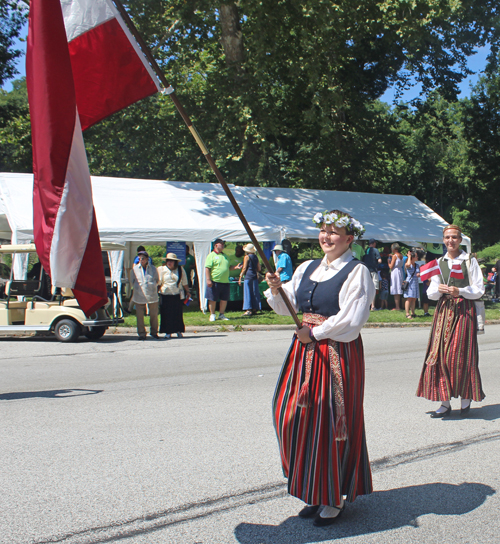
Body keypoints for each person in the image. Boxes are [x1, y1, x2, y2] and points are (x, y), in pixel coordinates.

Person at [265, 209, 374, 527]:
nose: (326, 236)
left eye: (334, 232)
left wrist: (314, 333)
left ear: (349, 239)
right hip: (303, 352)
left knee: (329, 421)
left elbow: (351, 320)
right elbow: (290, 310)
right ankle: (314, 486)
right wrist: (276, 289)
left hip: (337, 352)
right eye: (323, 231)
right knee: (289, 414)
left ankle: (332, 497)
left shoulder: (357, 272)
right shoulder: (306, 267)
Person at [416, 225, 485, 418]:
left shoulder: (469, 260)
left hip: (464, 311)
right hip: (444, 311)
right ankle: (444, 402)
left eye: (454, 237)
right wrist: (440, 289)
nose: (450, 241)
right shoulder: (439, 262)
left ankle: (465, 399)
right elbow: (431, 293)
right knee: (438, 354)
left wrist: (460, 291)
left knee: (461, 354)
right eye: (447, 237)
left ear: (460, 239)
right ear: (443, 239)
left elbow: (479, 289)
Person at [205, 238, 241, 322]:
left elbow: (228, 267)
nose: (223, 246)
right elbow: (207, 268)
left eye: (223, 244)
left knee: (224, 299)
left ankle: (222, 314)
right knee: (213, 299)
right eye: (221, 244)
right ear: (216, 245)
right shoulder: (211, 255)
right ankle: (212, 314)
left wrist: (235, 267)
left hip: (225, 281)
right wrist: (208, 279)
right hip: (215, 281)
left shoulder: (225, 256)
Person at [158, 253, 190, 339]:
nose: (169, 262)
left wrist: (188, 291)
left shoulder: (180, 269)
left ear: (175, 262)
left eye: (171, 261)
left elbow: (185, 282)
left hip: (177, 295)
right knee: (166, 314)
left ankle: (178, 330)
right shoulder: (162, 269)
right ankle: (168, 332)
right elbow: (159, 282)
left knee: (177, 314)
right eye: (168, 260)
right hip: (165, 295)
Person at [129, 251, 159, 340]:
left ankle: (154, 332)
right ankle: (141, 333)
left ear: (147, 259)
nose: (141, 260)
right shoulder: (134, 269)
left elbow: (157, 280)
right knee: (140, 316)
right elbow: (132, 281)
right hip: (139, 295)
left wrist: (152, 285)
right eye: (139, 258)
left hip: (152, 295)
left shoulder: (153, 269)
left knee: (154, 315)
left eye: (142, 258)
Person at [239, 243, 262, 316]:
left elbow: (244, 268)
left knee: (247, 292)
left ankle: (248, 309)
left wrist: (241, 276)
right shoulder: (256, 257)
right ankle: (255, 308)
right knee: (254, 292)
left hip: (248, 276)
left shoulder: (247, 257)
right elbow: (259, 268)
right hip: (254, 276)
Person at [363, 239, 382, 310]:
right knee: (374, 288)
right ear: (373, 243)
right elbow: (380, 260)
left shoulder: (365, 251)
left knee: (367, 288)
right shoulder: (375, 250)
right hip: (374, 271)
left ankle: (366, 305)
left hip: (366, 271)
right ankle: (373, 306)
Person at [403, 249, 420, 319]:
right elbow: (408, 265)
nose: (417, 258)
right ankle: (407, 313)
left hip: (415, 282)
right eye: (416, 256)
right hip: (410, 282)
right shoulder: (408, 263)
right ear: (413, 257)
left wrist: (419, 274)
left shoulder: (417, 265)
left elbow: (418, 272)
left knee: (414, 298)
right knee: (409, 298)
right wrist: (409, 256)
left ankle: (413, 312)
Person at [389, 243, 404, 310]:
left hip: (395, 272)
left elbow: (391, 266)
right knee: (399, 288)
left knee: (395, 289)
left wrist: (388, 262)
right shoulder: (401, 255)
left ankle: (397, 306)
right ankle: (399, 306)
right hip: (400, 271)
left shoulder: (395, 256)